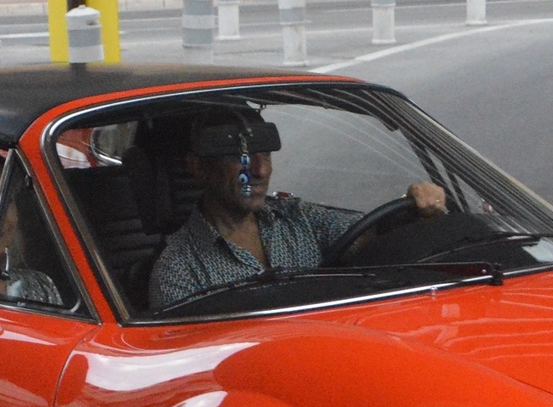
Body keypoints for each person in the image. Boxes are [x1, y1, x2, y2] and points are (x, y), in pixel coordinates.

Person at [147, 110, 445, 310]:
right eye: (243, 158)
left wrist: (418, 209)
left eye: (265, 155)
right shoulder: (179, 270)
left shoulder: (299, 219)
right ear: (198, 168)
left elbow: (374, 234)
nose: (261, 170)